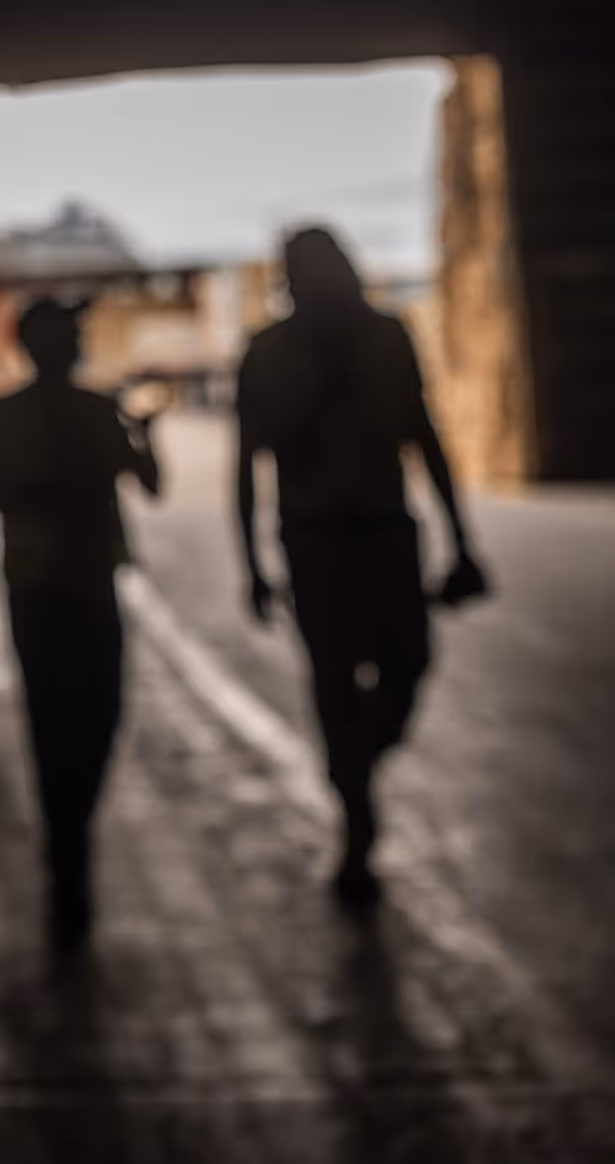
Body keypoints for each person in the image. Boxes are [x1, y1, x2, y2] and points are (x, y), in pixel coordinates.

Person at [235, 226, 489, 908]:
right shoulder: (268, 355)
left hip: (383, 528)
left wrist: (461, 538)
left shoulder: (387, 337)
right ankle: (355, 813)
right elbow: (248, 458)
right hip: (314, 537)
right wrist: (251, 562)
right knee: (333, 681)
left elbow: (423, 433)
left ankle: (356, 765)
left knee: (407, 663)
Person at [0, 297, 162, 953]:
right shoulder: (19, 414)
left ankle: (68, 842)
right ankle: (68, 855)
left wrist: (141, 430)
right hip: (55, 587)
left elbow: (149, 479)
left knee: (89, 718)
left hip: (64, 586)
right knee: (67, 723)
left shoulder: (88, 409)